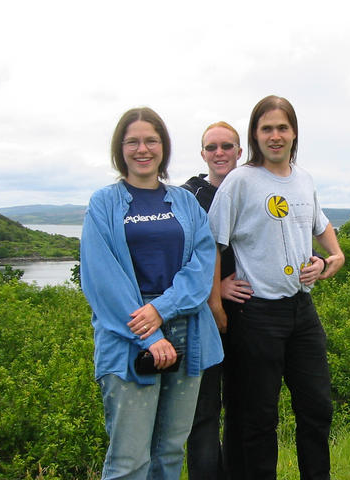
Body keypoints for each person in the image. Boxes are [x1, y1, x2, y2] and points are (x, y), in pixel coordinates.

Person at [80, 107, 224, 480]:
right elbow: (102, 278)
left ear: (163, 147)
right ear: (120, 148)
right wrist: (150, 331)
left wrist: (162, 310)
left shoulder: (185, 202)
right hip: (129, 336)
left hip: (187, 333)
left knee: (170, 452)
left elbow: (202, 262)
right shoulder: (104, 203)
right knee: (129, 459)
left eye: (151, 141)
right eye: (133, 141)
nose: (142, 149)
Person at [208, 96, 344, 480]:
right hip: (257, 314)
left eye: (282, 127)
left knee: (317, 408)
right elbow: (212, 243)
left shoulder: (303, 178)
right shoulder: (240, 181)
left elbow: (319, 225)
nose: (275, 136)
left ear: (294, 132)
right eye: (266, 128)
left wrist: (333, 257)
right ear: (255, 134)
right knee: (259, 418)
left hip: (302, 311)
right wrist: (216, 300)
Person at [183, 121, 325, 479]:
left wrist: (328, 258)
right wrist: (215, 293)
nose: (220, 154)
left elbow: (302, 229)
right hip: (213, 315)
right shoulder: (191, 197)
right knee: (209, 412)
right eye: (212, 148)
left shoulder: (256, 183)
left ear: (239, 150)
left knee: (244, 408)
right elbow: (194, 254)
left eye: (227, 147)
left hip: (253, 313)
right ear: (202, 154)